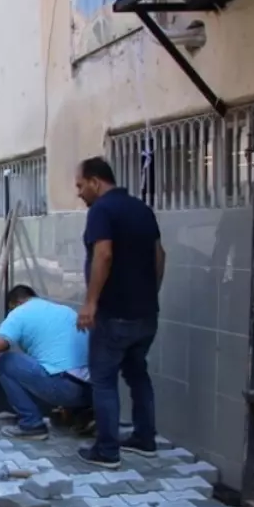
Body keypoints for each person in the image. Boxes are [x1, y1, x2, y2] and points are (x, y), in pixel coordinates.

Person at [75, 156, 165, 468]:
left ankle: (107, 450)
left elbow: (104, 254)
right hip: (145, 315)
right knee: (138, 374)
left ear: (95, 182)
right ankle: (144, 438)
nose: (79, 193)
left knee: (103, 379)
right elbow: (159, 256)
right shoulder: (141, 209)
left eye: (80, 185)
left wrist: (90, 303)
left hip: (113, 315)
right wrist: (149, 294)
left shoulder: (102, 210)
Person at [0, 284, 92, 440]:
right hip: (91, 391)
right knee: (49, 363)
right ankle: (83, 415)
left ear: (14, 304)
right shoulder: (64, 311)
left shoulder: (21, 313)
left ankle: (31, 424)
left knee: (4, 361)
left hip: (64, 388)